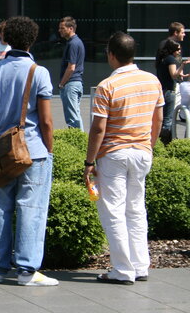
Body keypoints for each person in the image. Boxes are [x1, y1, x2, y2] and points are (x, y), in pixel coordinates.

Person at [0, 16, 57, 287]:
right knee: (31, 208)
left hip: (2, 149)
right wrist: (50, 148)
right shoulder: (39, 72)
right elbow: (46, 120)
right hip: (32, 149)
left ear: (7, 38)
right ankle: (26, 271)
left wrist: (5, 119)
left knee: (2, 207)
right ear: (32, 40)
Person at [84, 31, 164, 284]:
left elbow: (98, 128)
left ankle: (122, 269)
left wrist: (89, 162)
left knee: (113, 211)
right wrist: (148, 145)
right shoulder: (153, 80)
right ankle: (140, 266)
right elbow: (158, 119)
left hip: (113, 154)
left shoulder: (107, 86)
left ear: (111, 55)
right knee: (136, 209)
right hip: (142, 152)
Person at [155, 39, 190, 142]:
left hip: (163, 90)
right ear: (172, 49)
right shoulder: (171, 59)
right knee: (168, 120)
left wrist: (181, 73)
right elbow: (173, 74)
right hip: (170, 92)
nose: (179, 51)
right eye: (178, 49)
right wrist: (183, 65)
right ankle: (166, 143)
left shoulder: (163, 59)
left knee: (163, 118)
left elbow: (169, 74)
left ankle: (161, 142)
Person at [58, 16, 85, 130]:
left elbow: (71, 67)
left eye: (62, 28)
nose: (60, 30)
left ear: (71, 28)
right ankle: (82, 143)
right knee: (75, 116)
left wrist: (62, 84)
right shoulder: (76, 42)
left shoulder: (73, 44)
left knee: (72, 119)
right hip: (76, 84)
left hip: (71, 84)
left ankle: (78, 146)